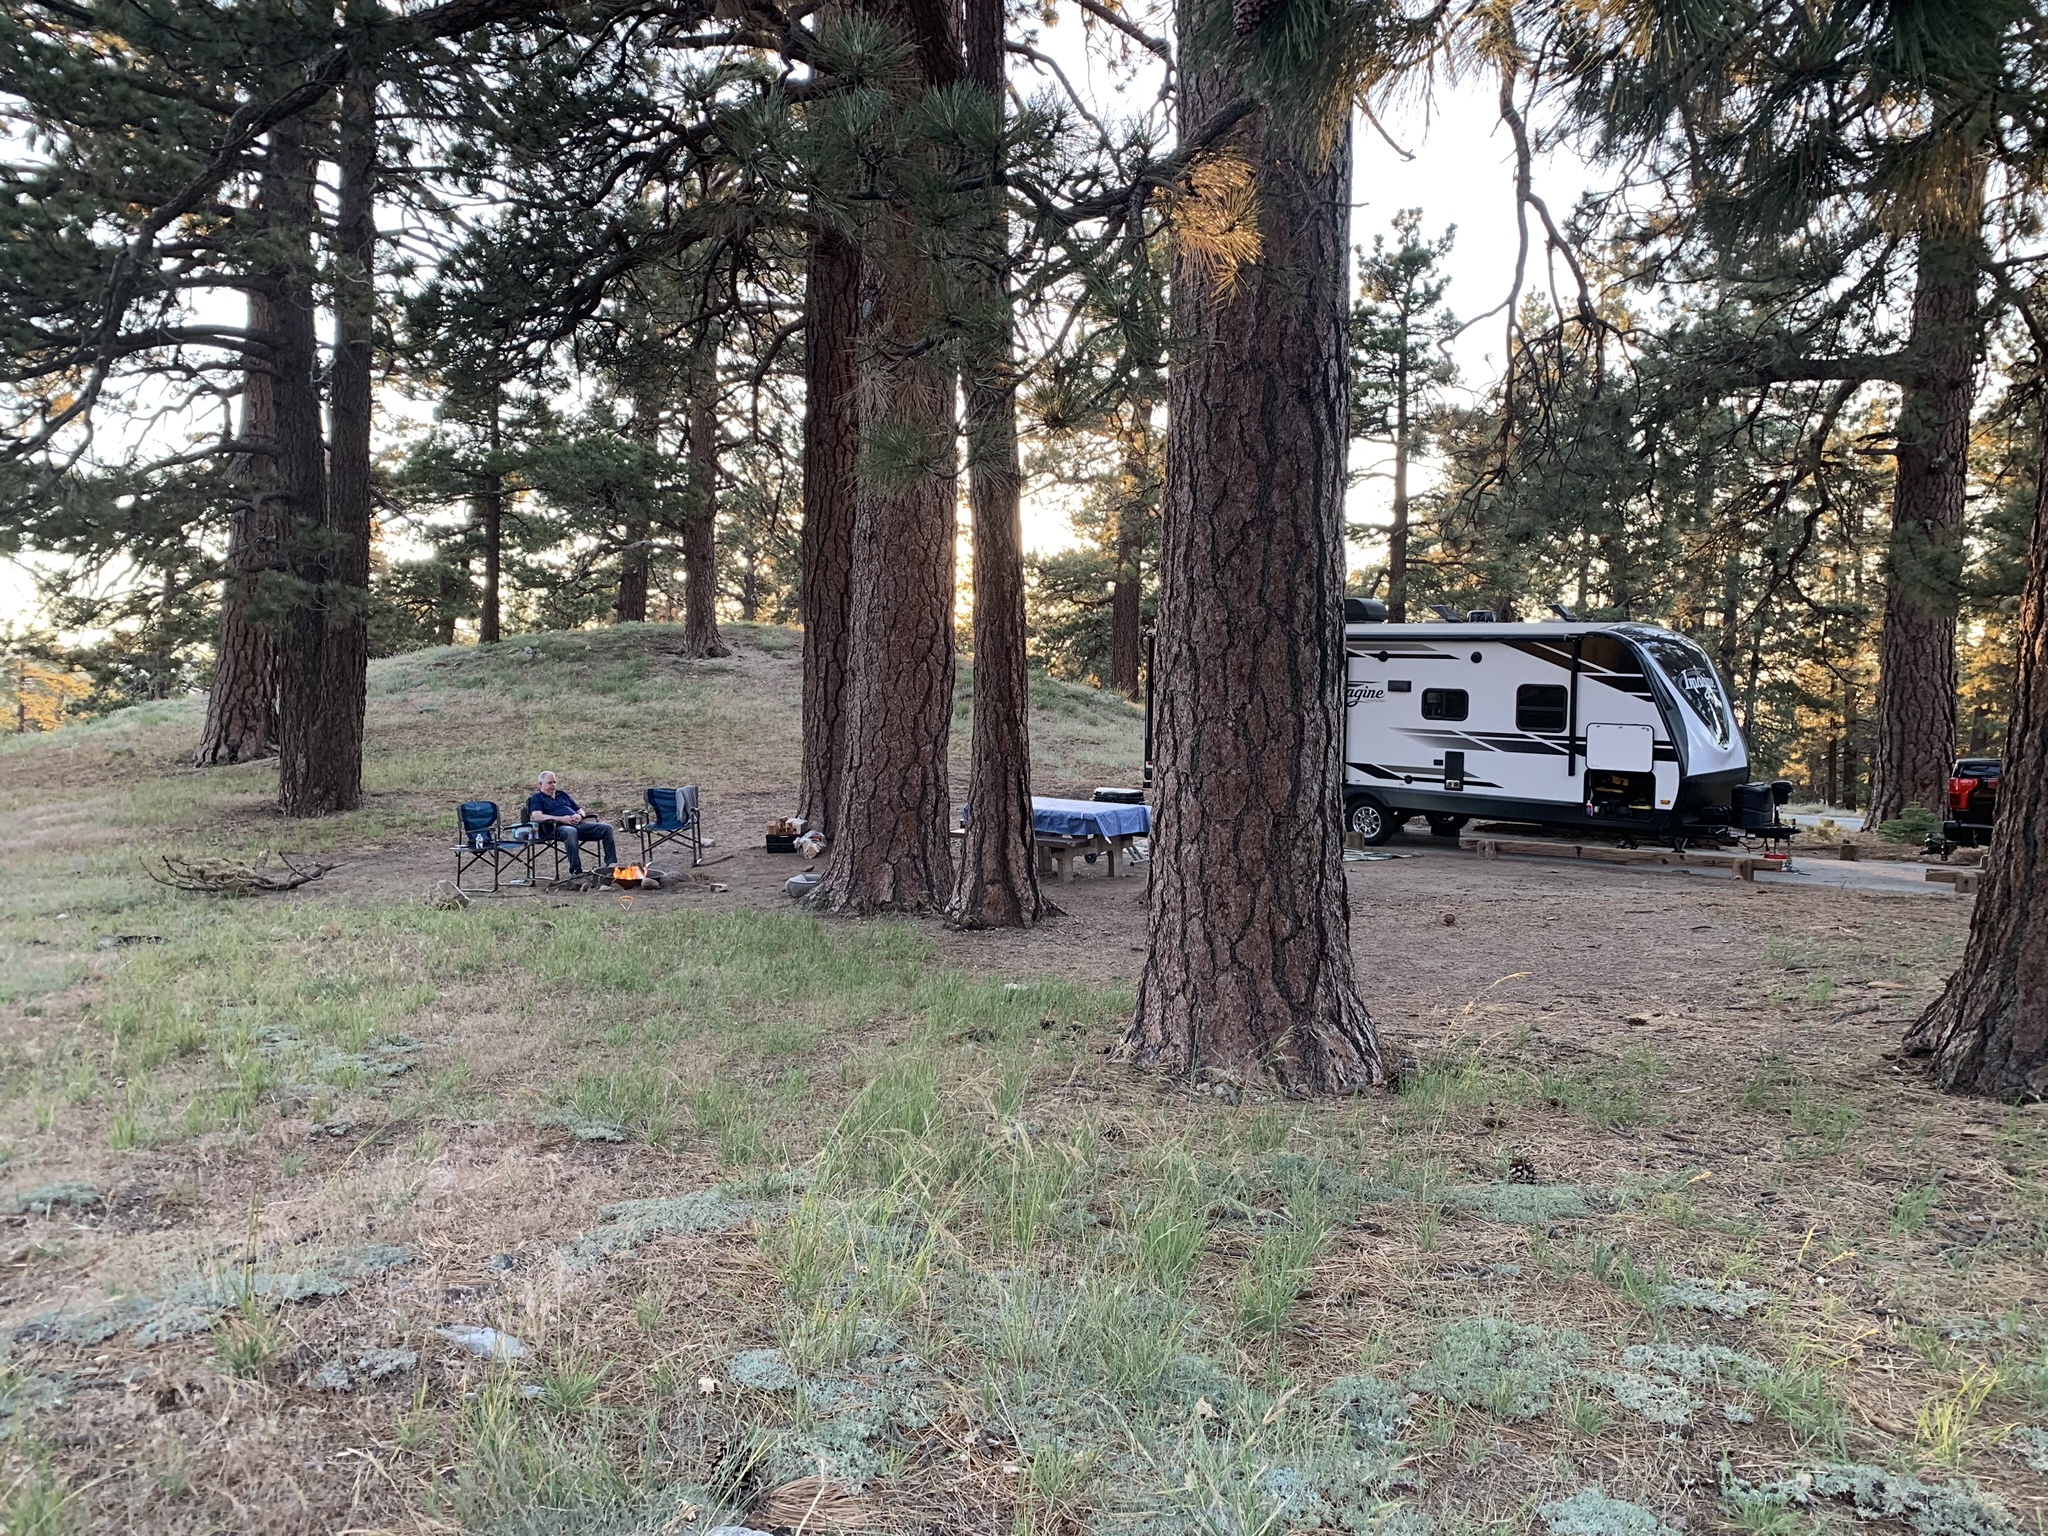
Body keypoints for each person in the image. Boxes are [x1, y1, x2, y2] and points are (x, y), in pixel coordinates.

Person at [525, 771, 618, 875]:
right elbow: (538, 816)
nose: (553, 785)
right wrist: (561, 819)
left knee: (607, 828)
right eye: (549, 783)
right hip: (556, 828)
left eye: (554, 782)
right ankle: (576, 871)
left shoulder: (562, 794)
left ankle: (611, 866)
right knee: (570, 831)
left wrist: (579, 816)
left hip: (578, 825)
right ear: (540, 784)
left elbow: (580, 810)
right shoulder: (536, 798)